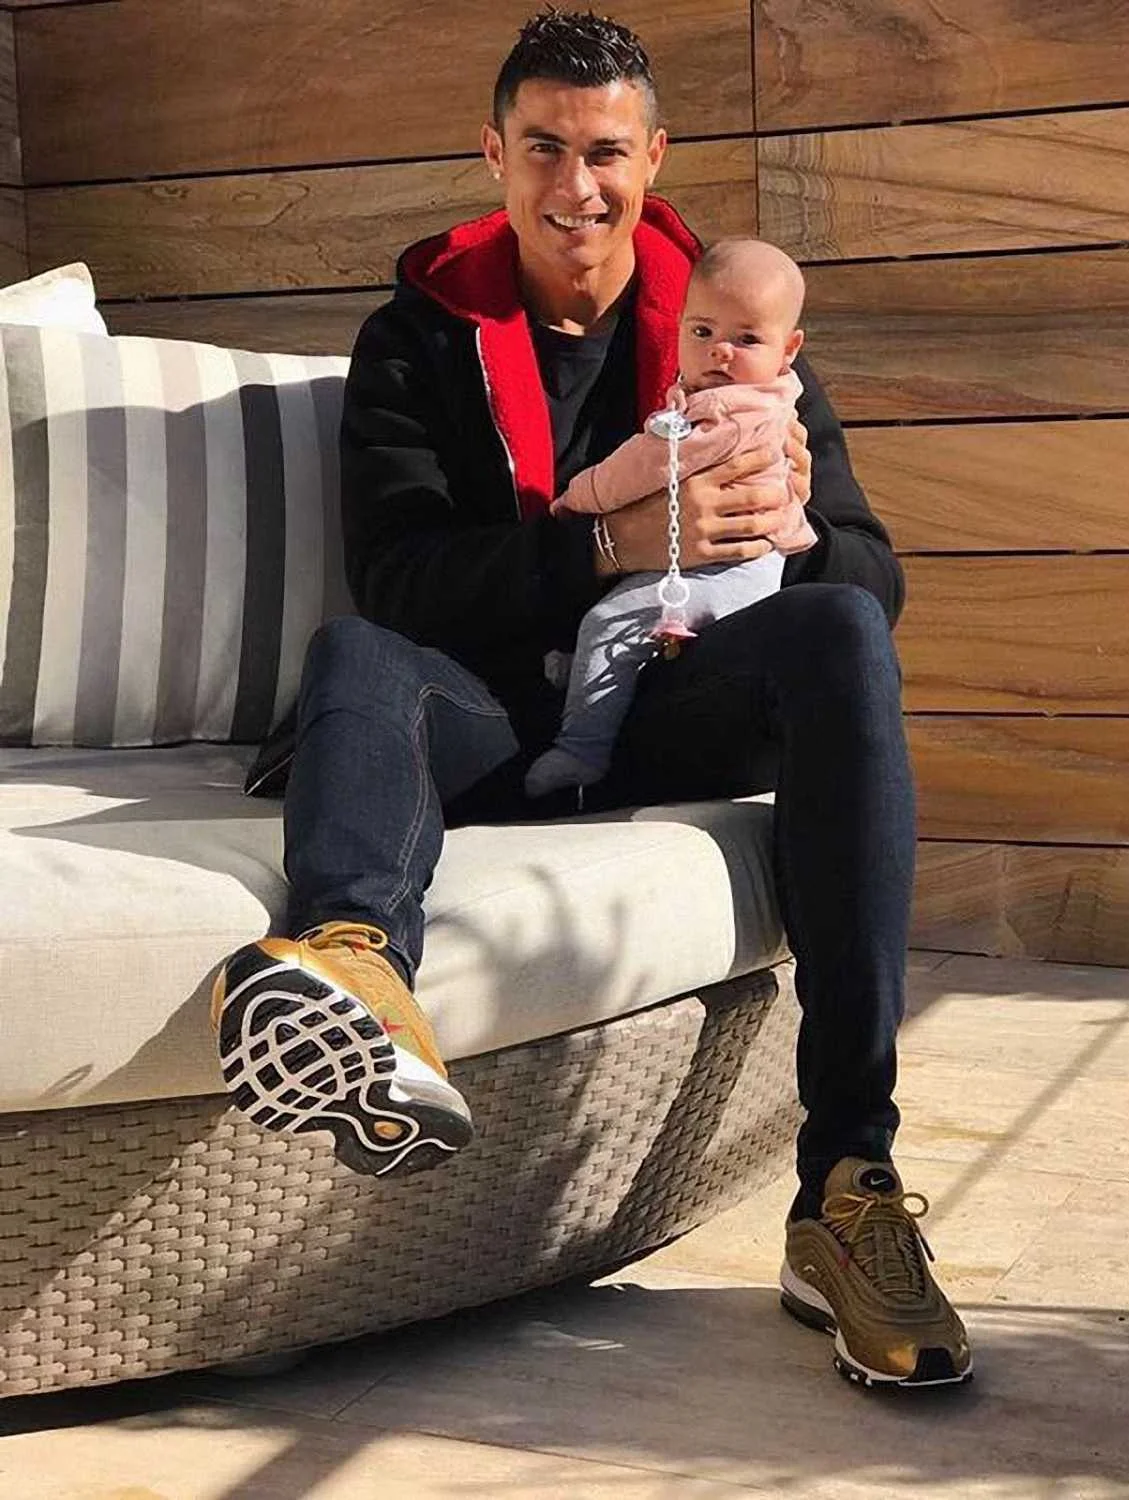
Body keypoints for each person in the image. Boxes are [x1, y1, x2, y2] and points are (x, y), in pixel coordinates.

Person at [212, 9, 972, 1388]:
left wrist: (799, 525)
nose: (578, 185)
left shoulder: (738, 334)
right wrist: (607, 547)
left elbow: (873, 573)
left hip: (676, 712)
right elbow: (403, 580)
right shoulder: (416, 339)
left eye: (606, 151)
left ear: (654, 156)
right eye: (545, 148)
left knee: (843, 627)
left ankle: (849, 1188)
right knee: (357, 652)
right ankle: (355, 972)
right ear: (494, 153)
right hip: (500, 721)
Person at [525, 235, 817, 797]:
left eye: (746, 338)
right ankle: (587, 676)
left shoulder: (727, 416)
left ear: (789, 348)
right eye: (702, 332)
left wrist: (575, 500)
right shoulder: (765, 400)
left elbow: (638, 470)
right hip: (730, 567)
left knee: (608, 623)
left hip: (729, 576)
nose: (720, 352)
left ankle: (580, 751)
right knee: (618, 608)